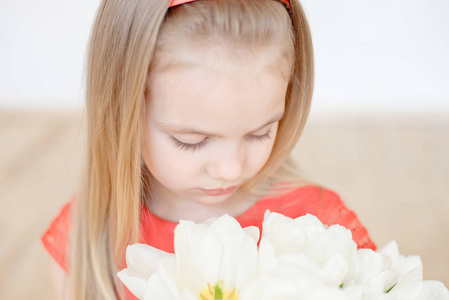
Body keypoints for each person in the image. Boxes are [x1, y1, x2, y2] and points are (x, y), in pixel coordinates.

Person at [42, 0, 376, 299]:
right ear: (123, 112)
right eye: (191, 140)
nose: (230, 169)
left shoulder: (322, 226)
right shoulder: (87, 240)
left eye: (260, 133)